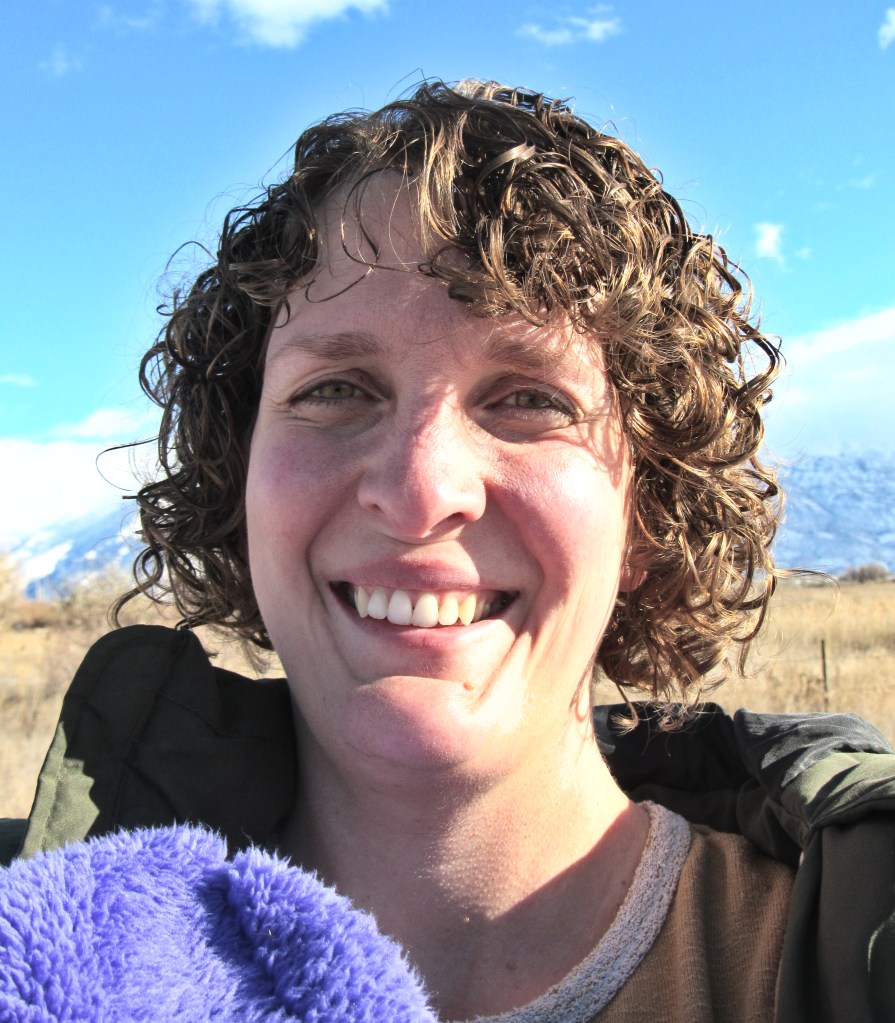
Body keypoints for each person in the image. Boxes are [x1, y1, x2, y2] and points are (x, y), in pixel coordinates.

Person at [1, 80, 894, 1022]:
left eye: (530, 398)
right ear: (239, 480)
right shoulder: (38, 948)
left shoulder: (845, 947)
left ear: (647, 510)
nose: (420, 491)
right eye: (335, 388)